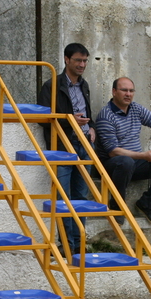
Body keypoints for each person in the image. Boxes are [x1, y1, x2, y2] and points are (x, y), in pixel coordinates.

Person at [95, 77, 151, 225]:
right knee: (125, 162)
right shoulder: (105, 116)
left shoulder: (135, 109)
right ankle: (117, 205)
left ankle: (146, 204)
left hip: (135, 162)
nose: (128, 94)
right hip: (111, 165)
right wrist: (143, 155)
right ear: (114, 92)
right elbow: (113, 151)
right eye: (124, 90)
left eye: (131, 90)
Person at [38, 42, 96, 254]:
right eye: (78, 60)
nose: (82, 65)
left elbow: (88, 112)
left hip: (84, 145)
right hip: (62, 147)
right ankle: (66, 246)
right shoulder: (51, 85)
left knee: (81, 198)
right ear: (66, 60)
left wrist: (92, 129)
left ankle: (79, 246)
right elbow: (44, 119)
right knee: (64, 199)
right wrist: (70, 121)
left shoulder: (84, 85)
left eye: (85, 61)